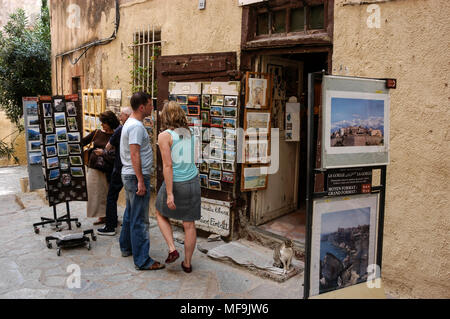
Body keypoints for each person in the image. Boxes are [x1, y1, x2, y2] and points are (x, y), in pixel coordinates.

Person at [119, 92, 164, 271]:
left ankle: (126, 247)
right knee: (140, 220)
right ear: (141, 107)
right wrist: (140, 180)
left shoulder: (130, 123)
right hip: (135, 175)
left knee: (131, 214)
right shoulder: (136, 127)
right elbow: (134, 153)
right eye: (150, 104)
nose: (152, 107)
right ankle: (143, 260)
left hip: (129, 174)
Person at [155, 101, 201, 273]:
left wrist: (169, 193)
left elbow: (168, 166)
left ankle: (172, 248)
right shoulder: (191, 134)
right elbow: (195, 158)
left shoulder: (164, 136)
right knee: (189, 224)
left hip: (176, 183)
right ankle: (187, 263)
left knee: (160, 213)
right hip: (193, 181)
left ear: (166, 117)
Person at [97, 107, 132, 236]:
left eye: (122, 115)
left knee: (111, 196)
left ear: (126, 116)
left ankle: (110, 226)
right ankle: (128, 222)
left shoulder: (119, 130)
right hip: (130, 167)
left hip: (119, 167)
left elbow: (108, 147)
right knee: (130, 197)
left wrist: (103, 152)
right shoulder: (134, 128)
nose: (120, 117)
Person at [82, 111, 120, 225]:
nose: (102, 125)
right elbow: (83, 142)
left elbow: (117, 153)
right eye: (101, 122)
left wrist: (103, 153)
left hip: (108, 168)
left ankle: (109, 216)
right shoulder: (97, 133)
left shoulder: (116, 135)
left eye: (104, 122)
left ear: (110, 122)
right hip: (94, 168)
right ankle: (102, 216)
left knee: (107, 193)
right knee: (95, 194)